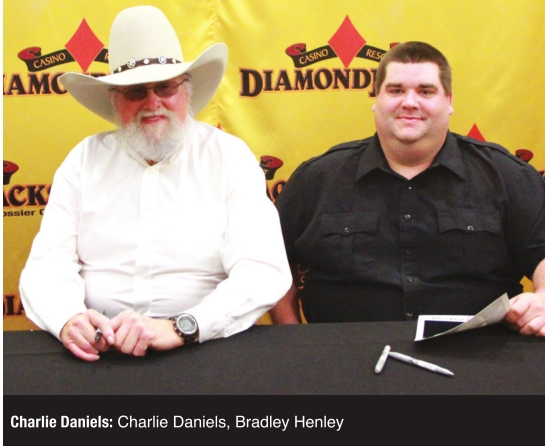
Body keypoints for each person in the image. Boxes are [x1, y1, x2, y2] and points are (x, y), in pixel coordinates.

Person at [19, 5, 291, 361]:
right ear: (114, 100)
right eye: (135, 91)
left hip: (204, 347)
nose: (153, 102)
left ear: (186, 92)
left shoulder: (229, 157)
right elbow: (46, 266)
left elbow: (262, 270)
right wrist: (68, 319)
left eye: (165, 87)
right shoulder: (84, 160)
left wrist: (182, 327)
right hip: (99, 352)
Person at [270, 41, 545, 336]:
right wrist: (291, 340)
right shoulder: (316, 180)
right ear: (376, 98)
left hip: (480, 352)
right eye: (396, 90)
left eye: (425, 91)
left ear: (449, 100)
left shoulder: (507, 177)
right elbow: (270, 259)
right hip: (341, 355)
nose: (410, 102)